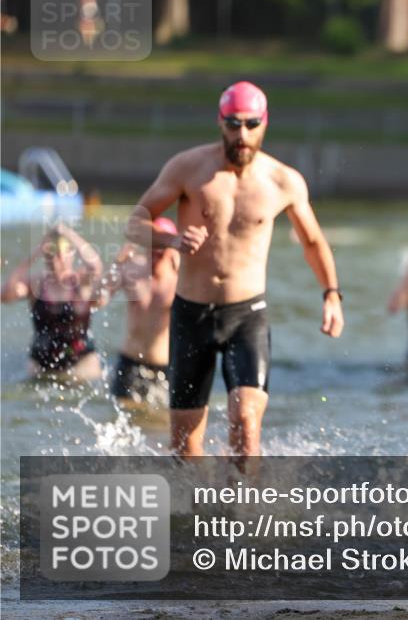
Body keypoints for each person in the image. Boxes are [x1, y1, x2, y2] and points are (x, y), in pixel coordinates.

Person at [125, 81, 345, 462]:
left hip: (247, 316)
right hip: (190, 313)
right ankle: (200, 517)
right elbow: (135, 223)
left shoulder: (283, 181)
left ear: (264, 124)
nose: (241, 134)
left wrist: (331, 295)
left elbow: (312, 241)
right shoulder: (187, 168)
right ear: (220, 123)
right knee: (185, 446)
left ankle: (242, 518)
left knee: (246, 424)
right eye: (233, 124)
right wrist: (173, 241)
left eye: (250, 124)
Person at [1, 223, 104, 381]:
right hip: (40, 361)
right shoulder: (37, 284)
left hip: (81, 360)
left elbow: (96, 267)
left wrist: (69, 234)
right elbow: (5, 295)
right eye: (50, 255)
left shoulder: (81, 281)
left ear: (71, 254)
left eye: (60, 255)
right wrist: (34, 252)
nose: (55, 261)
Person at [103, 217, 180, 413]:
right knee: (123, 417)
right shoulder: (131, 270)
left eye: (161, 248)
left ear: (172, 248)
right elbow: (99, 299)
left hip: (162, 367)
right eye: (152, 246)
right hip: (129, 363)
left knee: (162, 423)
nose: (156, 253)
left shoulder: (180, 280)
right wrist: (118, 262)